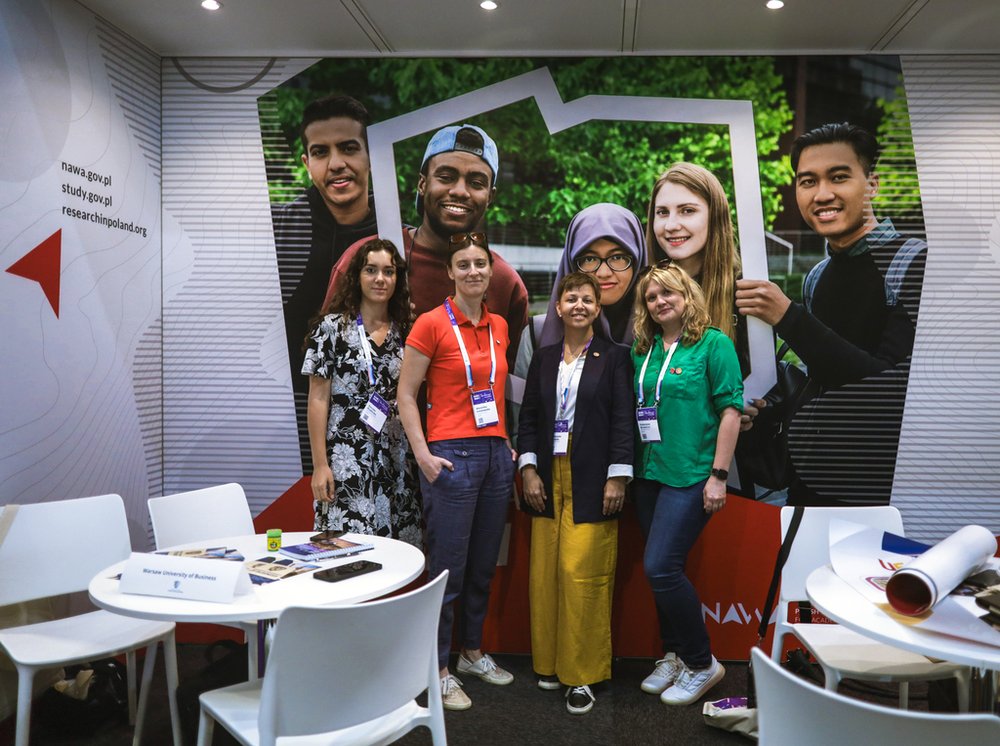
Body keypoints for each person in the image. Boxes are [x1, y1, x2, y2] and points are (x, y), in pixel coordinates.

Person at [735, 122, 926, 506]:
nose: (822, 194)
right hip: (810, 487)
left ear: (872, 185)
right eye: (808, 181)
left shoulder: (914, 264)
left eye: (839, 177)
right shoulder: (817, 277)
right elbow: (821, 384)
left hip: (882, 496)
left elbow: (889, 393)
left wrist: (788, 317)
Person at [397, 231, 517, 711]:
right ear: (449, 272)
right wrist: (423, 455)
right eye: (463, 264)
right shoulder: (430, 323)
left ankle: (471, 652)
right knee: (448, 569)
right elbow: (406, 395)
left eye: (480, 263)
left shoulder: (499, 325)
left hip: (494, 457)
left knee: (484, 564)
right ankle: (438, 668)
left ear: (491, 270)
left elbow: (496, 390)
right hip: (450, 457)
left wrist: (505, 442)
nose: (472, 271)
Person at [516, 271, 633, 715]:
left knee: (581, 574)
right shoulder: (544, 358)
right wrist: (528, 470)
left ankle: (582, 675)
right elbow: (529, 419)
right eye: (571, 298)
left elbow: (623, 419)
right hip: (548, 477)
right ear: (558, 307)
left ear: (597, 309)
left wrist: (617, 476)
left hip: (593, 478)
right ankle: (549, 664)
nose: (579, 305)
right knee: (545, 574)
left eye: (587, 299)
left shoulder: (615, 358)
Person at [326, 124, 529, 369]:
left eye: (476, 183)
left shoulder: (504, 283)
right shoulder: (365, 260)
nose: (459, 191)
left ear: (490, 197)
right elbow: (323, 361)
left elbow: (515, 380)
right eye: (446, 177)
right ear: (422, 184)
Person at [631, 263, 743, 706]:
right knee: (662, 572)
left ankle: (701, 662)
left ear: (687, 296)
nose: (659, 301)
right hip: (649, 474)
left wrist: (719, 476)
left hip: (692, 475)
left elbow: (731, 411)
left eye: (668, 293)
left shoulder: (714, 344)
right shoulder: (644, 350)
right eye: (651, 297)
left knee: (661, 567)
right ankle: (674, 654)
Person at [273, 94, 378, 472]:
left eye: (348, 148)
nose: (336, 164)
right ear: (306, 163)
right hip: (291, 425)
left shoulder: (396, 235)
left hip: (375, 422)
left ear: (371, 154)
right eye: (320, 152)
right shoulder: (277, 232)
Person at [301, 238, 421, 547]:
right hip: (346, 461)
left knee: (398, 556)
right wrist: (320, 465)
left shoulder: (408, 331)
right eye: (371, 270)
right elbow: (317, 400)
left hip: (398, 461)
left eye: (389, 271)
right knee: (345, 553)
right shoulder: (330, 329)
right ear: (357, 276)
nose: (380, 279)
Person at [510, 202, 645, 436]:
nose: (603, 273)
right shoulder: (537, 335)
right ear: (572, 263)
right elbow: (521, 425)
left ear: (638, 258)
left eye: (618, 257)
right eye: (589, 259)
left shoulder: (662, 333)